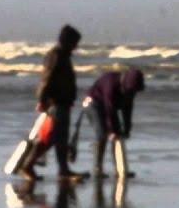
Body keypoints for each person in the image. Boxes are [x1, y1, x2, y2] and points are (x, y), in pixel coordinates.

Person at [20, 25, 85, 181]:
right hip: (55, 102)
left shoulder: (64, 55)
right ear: (68, 41)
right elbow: (46, 78)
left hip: (63, 102)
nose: (76, 46)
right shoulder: (56, 55)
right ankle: (28, 165)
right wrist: (41, 100)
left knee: (60, 138)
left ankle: (63, 170)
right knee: (51, 137)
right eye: (75, 42)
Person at [81, 68, 146, 178]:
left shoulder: (130, 89)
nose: (133, 93)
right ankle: (98, 169)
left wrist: (126, 129)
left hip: (107, 105)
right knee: (102, 134)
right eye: (132, 90)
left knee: (118, 136)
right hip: (93, 103)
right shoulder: (110, 83)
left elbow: (127, 109)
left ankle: (119, 169)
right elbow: (109, 108)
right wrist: (113, 130)